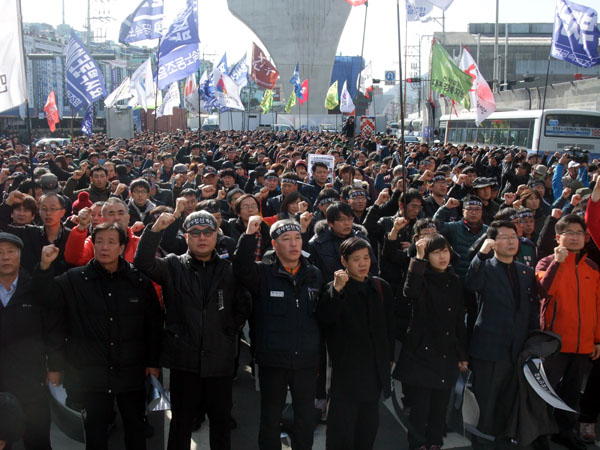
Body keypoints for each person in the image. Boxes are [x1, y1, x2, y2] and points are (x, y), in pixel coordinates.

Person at [36, 223, 162, 450]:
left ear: (122, 247)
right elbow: (47, 297)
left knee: (135, 429)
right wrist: (44, 268)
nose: (104, 247)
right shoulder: (74, 279)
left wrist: (153, 362)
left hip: (131, 372)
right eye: (99, 242)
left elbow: (153, 325)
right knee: (95, 431)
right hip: (90, 373)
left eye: (111, 242)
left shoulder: (138, 281)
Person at [134, 210, 251, 450]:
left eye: (207, 232)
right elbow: (143, 263)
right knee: (181, 425)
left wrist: (228, 330)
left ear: (216, 236)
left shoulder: (229, 269)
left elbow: (244, 303)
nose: (202, 237)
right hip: (184, 361)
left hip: (220, 360)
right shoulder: (172, 265)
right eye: (195, 233)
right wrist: (155, 231)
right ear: (186, 236)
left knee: (221, 425)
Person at [233, 217, 323, 450]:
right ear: (274, 244)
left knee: (305, 418)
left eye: (297, 238)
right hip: (273, 360)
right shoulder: (262, 273)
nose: (293, 244)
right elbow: (240, 267)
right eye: (286, 239)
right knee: (271, 418)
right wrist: (249, 235)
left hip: (306, 360)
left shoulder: (314, 274)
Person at [465, 221, 539, 449]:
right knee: (486, 400)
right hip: (490, 347)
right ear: (493, 242)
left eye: (513, 237)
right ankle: (481, 441)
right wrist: (481, 254)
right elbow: (471, 283)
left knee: (509, 399)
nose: (511, 242)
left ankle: (503, 439)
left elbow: (531, 309)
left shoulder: (526, 271)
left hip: (517, 349)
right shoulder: (485, 268)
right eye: (504, 237)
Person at [316, 237, 395, 450]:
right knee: (341, 434)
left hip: (373, 373)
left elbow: (389, 327)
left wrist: (388, 358)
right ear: (344, 261)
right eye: (356, 259)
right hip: (344, 375)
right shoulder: (333, 288)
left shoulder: (381, 287)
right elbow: (325, 319)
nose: (362, 264)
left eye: (366, 258)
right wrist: (336, 291)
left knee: (367, 431)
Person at [395, 234, 468, 450]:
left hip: (446, 352)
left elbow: (458, 320)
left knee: (440, 406)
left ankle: (435, 443)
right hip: (422, 352)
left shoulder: (454, 280)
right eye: (436, 253)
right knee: (420, 407)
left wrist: (462, 354)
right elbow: (410, 292)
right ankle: (417, 445)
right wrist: (418, 259)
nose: (442, 257)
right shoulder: (421, 276)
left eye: (445, 251)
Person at [536, 214, 600, 450]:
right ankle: (538, 433)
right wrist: (558, 262)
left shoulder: (592, 267)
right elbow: (544, 291)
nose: (574, 237)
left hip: (583, 343)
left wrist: (597, 340)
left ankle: (564, 431)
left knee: (572, 392)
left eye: (579, 233)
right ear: (557, 237)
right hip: (555, 342)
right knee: (546, 391)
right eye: (569, 233)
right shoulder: (546, 263)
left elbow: (597, 306)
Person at [0, 233, 63, 450]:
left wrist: (54, 366)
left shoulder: (35, 287)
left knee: (37, 438)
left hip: (30, 376)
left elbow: (53, 329)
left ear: (20, 256)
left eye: (10, 252)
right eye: (0, 253)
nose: (5, 257)